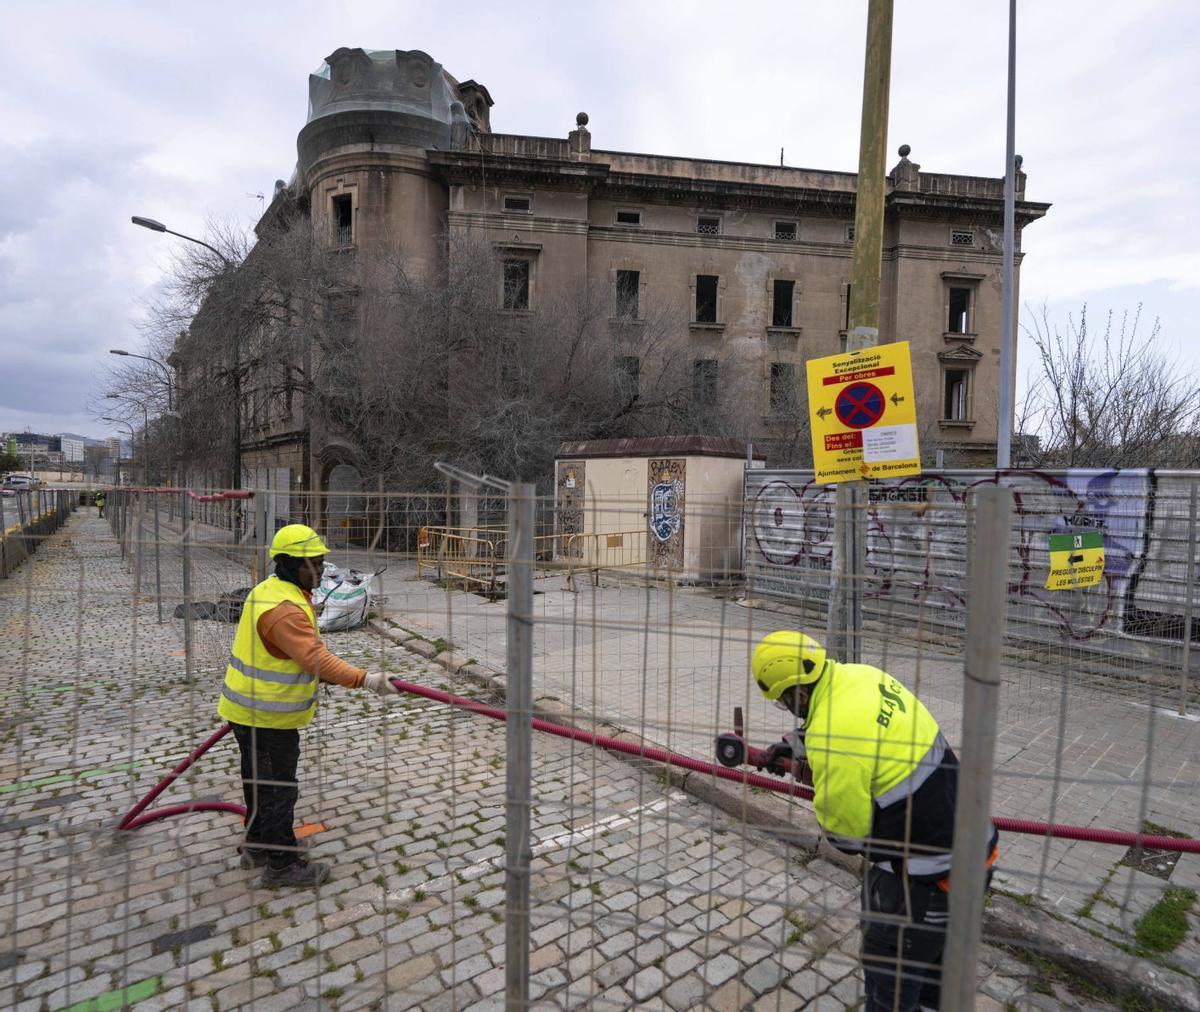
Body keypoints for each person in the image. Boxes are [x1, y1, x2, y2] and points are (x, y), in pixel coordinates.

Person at [750, 630, 997, 1012]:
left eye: (783, 701)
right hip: (976, 847)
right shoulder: (862, 676)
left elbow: (846, 835)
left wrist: (826, 779)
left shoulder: (832, 735)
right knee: (936, 975)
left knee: (890, 982)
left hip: (927, 879)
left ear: (797, 692)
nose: (787, 708)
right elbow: (872, 748)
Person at [219, 523, 399, 888]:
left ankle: (258, 845)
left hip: (252, 711)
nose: (319, 571)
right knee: (278, 788)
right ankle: (282, 866)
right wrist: (367, 679)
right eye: (311, 564)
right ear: (287, 564)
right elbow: (316, 659)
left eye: (320, 562)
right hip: (266, 716)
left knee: (260, 783)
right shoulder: (283, 608)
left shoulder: (274, 590)